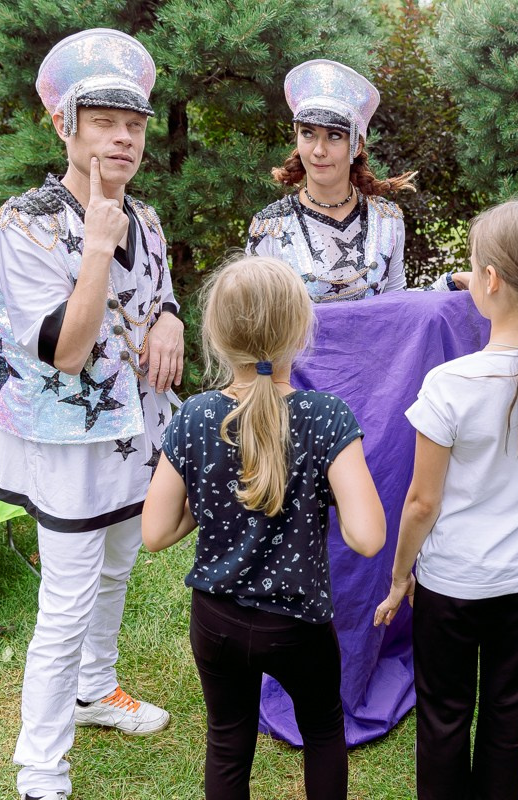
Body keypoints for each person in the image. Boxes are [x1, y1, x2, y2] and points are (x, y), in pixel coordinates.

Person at [0, 29, 185, 800]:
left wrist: (168, 314)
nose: (123, 138)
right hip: (66, 438)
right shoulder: (25, 223)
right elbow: (65, 352)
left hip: (139, 429)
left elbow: (157, 295)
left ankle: (95, 690)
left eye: (133, 124)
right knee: (65, 599)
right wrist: (98, 245)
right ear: (65, 125)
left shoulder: (151, 218)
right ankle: (41, 769)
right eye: (103, 121)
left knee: (118, 567)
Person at [374, 196, 518, 800]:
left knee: (444, 719)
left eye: (471, 267)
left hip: (453, 583)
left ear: (491, 280)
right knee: (507, 718)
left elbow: (421, 503)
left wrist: (400, 578)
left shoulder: (451, 384)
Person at [140, 256, 386, 800]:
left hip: (217, 621)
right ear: (299, 330)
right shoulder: (326, 415)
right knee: (324, 733)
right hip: (298, 627)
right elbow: (367, 537)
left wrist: (207, 503)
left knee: (227, 742)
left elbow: (154, 533)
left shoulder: (195, 416)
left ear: (217, 335)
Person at [246, 59, 465, 300]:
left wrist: (449, 284)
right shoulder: (271, 227)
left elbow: (398, 309)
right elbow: (259, 324)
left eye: (334, 136)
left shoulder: (386, 221)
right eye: (308, 134)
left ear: (357, 146)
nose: (319, 150)